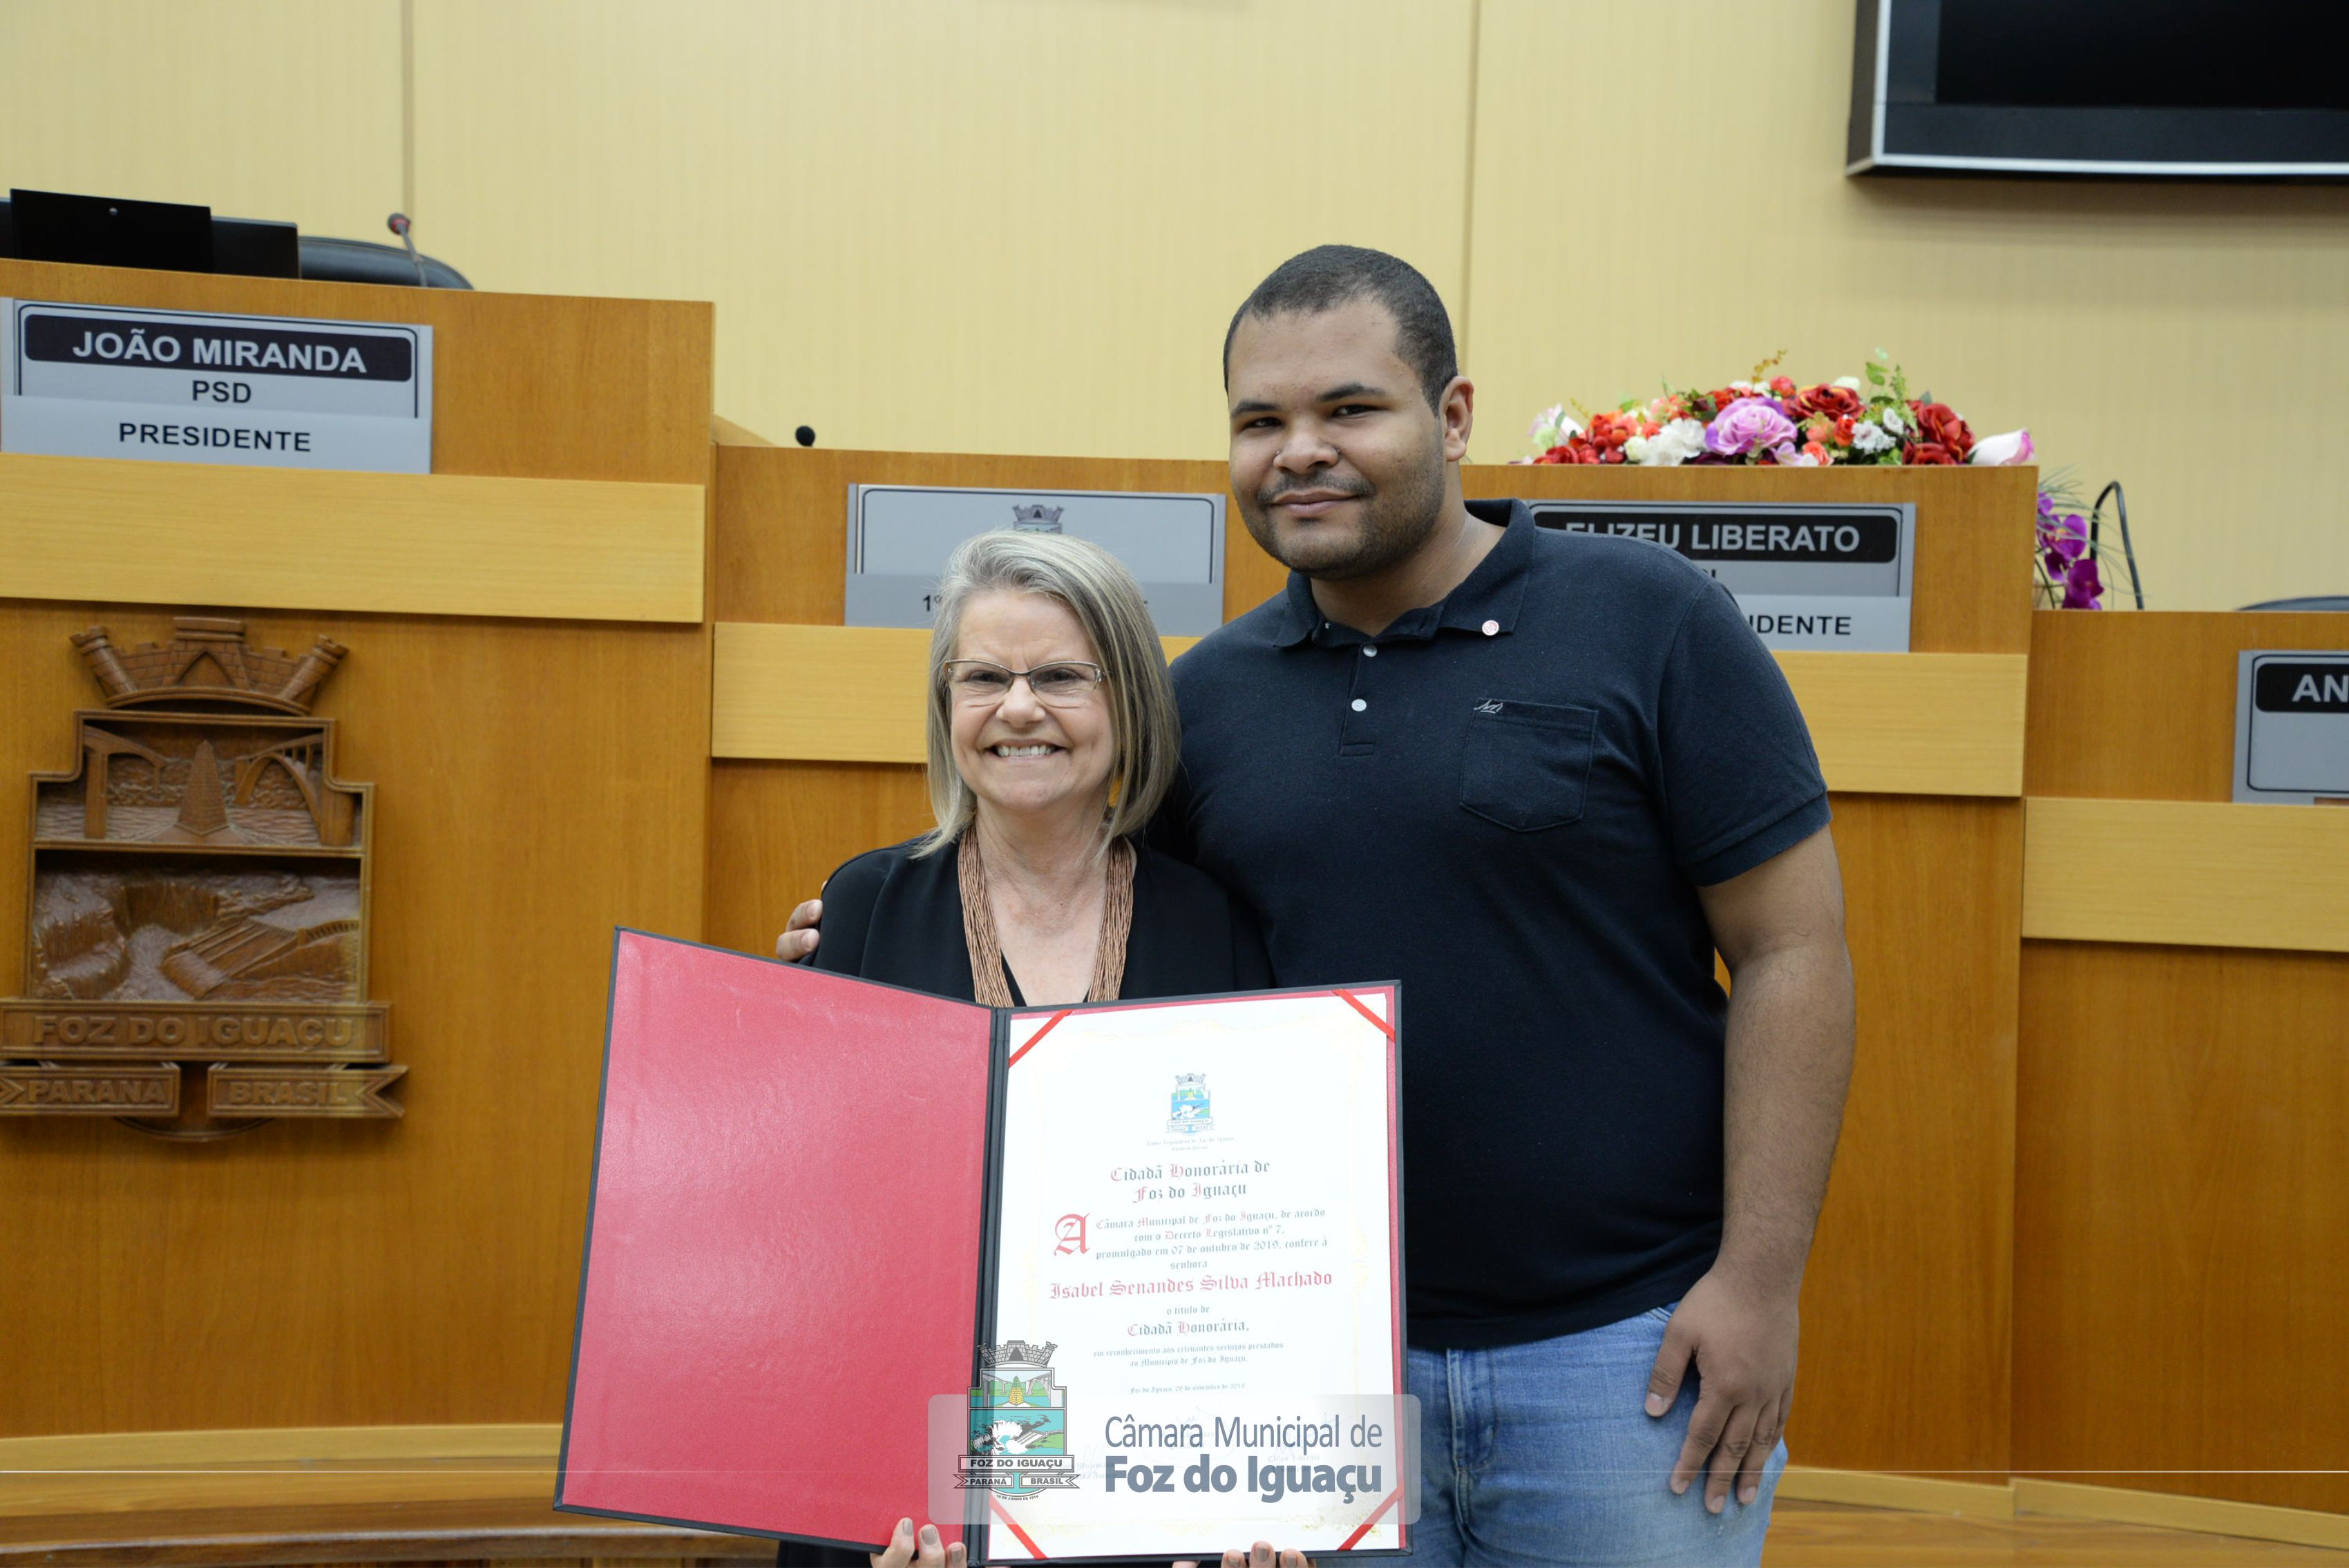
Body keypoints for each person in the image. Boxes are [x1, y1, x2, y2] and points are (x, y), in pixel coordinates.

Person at [788, 247, 1855, 1568]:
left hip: (1623, 1364)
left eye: (1349, 409)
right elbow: (1091, 938)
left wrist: (1759, 1281)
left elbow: (1792, 946)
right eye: (1260, 422)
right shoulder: (1208, 700)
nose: (1300, 451)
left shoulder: (1651, 619)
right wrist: (869, 942)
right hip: (1299, 1383)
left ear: (1453, 417)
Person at [774, 528, 1271, 1568]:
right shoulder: (862, 906)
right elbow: (816, 1225)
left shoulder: (1214, 923)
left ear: (1127, 700)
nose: (1018, 708)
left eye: (1059, 676)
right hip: (903, 1486)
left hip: (1148, 1483)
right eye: (984, 677)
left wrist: (1244, 1504)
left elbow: (1254, 1241)